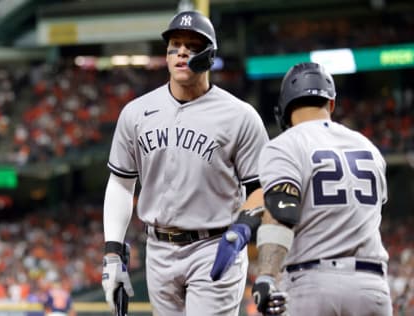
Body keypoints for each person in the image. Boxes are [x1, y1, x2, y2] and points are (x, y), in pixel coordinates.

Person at [101, 10, 270, 316]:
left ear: (209, 55)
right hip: (158, 247)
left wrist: (242, 229)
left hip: (215, 245)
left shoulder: (239, 116)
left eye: (192, 45)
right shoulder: (136, 113)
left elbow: (260, 188)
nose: (181, 52)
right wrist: (112, 252)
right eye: (175, 44)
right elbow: (121, 183)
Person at [251, 62, 393, 316]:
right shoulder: (369, 148)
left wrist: (266, 276)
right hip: (372, 287)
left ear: (284, 108)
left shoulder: (284, 145)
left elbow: (282, 211)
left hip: (313, 284)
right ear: (331, 104)